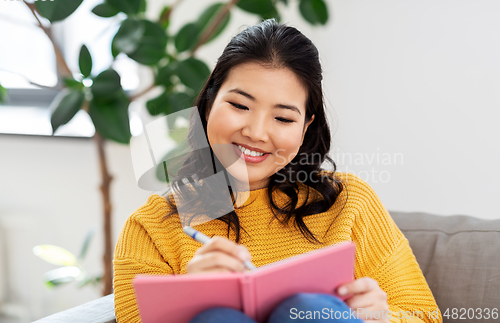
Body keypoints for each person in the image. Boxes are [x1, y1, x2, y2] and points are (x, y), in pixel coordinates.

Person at [113, 19, 442, 323]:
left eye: (283, 118)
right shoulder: (151, 228)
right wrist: (187, 300)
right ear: (210, 103)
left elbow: (425, 317)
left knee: (307, 310)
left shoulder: (349, 201)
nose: (256, 133)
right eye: (240, 106)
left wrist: (378, 318)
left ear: (305, 127)